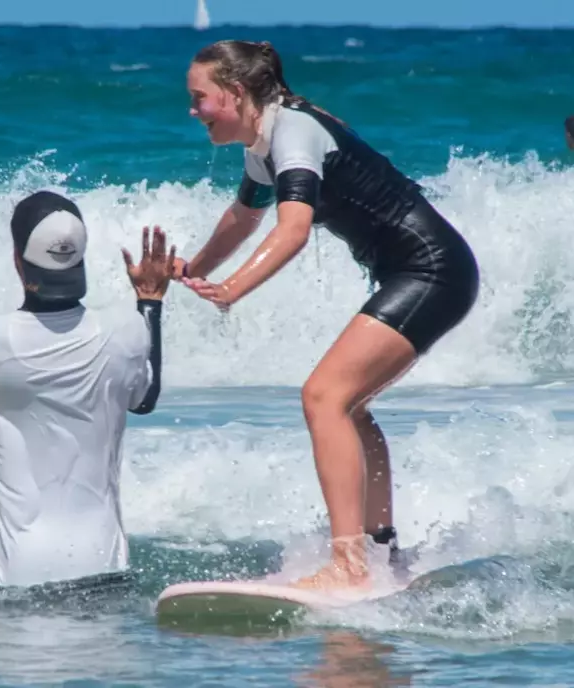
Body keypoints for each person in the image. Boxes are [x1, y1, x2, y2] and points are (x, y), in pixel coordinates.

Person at [177, 40, 480, 591]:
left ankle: (349, 564)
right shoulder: (262, 142)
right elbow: (244, 218)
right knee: (350, 405)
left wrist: (231, 289)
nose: (194, 110)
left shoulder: (294, 131)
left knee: (323, 396)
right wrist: (191, 268)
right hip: (416, 273)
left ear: (236, 92)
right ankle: (380, 549)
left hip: (432, 271)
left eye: (201, 98)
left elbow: (292, 229)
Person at [0, 190, 173, 592]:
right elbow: (146, 395)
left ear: (18, 259)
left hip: (10, 580)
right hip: (102, 574)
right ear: (81, 259)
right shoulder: (128, 331)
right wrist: (150, 301)